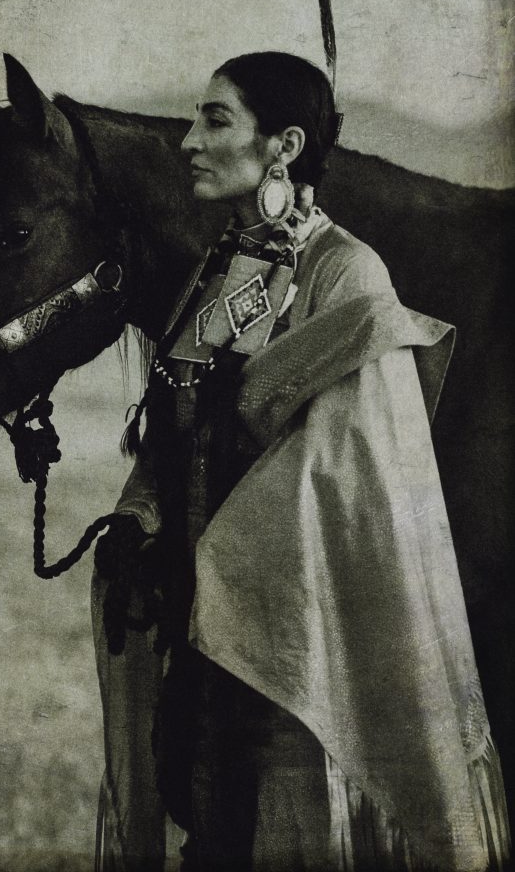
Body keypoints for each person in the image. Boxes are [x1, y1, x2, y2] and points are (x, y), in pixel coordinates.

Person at [91, 52, 510, 871]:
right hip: (201, 638)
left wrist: (217, 553)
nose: (187, 141)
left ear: (282, 144)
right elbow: (172, 437)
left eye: (215, 120)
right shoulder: (219, 276)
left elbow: (347, 479)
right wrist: (139, 516)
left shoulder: (348, 275)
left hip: (302, 646)